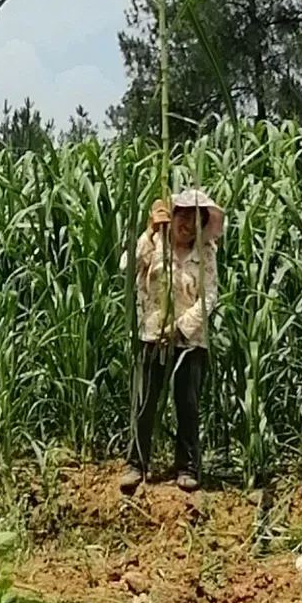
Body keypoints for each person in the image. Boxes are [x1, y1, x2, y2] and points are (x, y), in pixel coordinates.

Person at [119, 188, 224, 493]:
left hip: (190, 340)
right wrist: (150, 230)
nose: (187, 224)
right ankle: (136, 464)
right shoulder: (154, 243)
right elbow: (127, 267)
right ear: (172, 216)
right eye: (182, 216)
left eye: (195, 219)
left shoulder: (206, 254)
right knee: (144, 401)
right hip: (152, 333)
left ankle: (188, 466)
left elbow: (209, 297)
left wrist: (180, 329)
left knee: (187, 404)